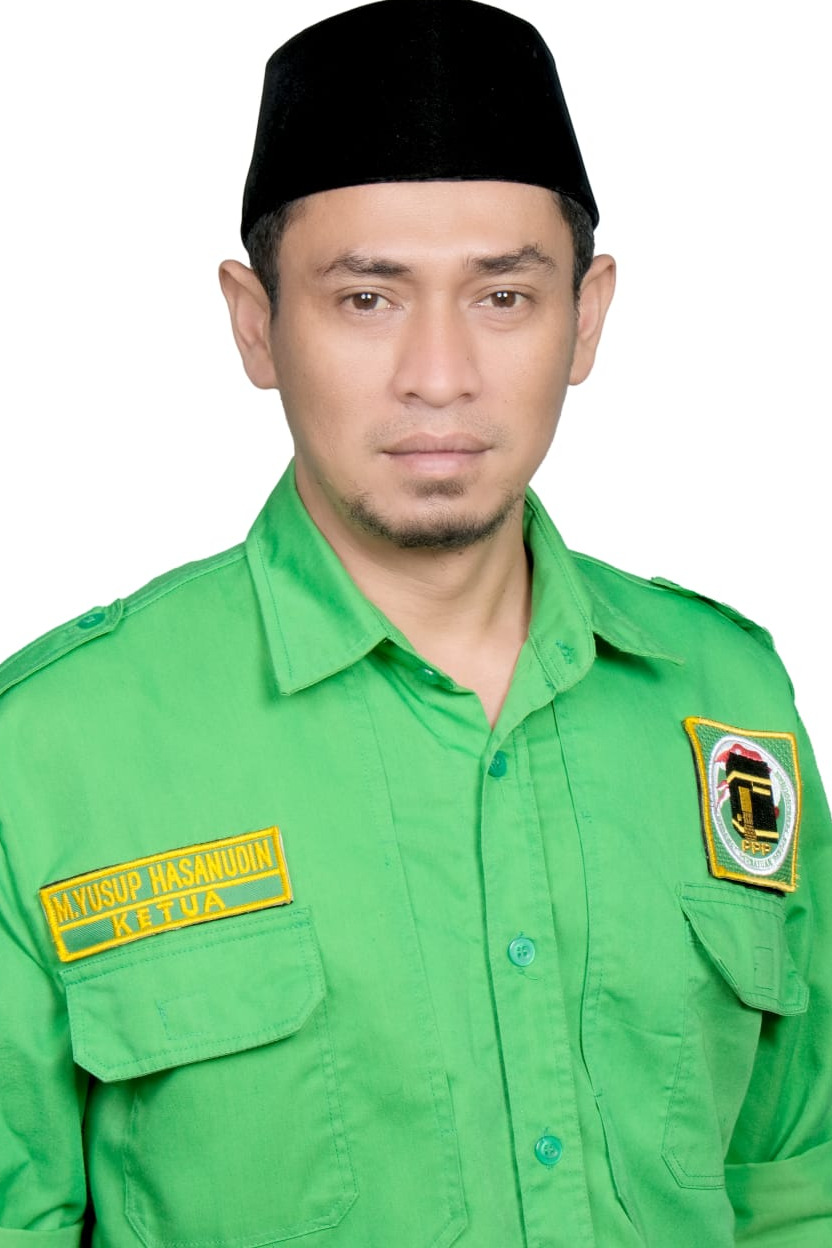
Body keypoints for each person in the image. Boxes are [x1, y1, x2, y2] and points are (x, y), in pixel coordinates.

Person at [0, 0, 829, 1244]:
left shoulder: (727, 696)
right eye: (366, 300)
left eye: (502, 296)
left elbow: (793, 1181)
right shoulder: (49, 752)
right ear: (255, 323)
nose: (438, 376)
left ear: (586, 316)